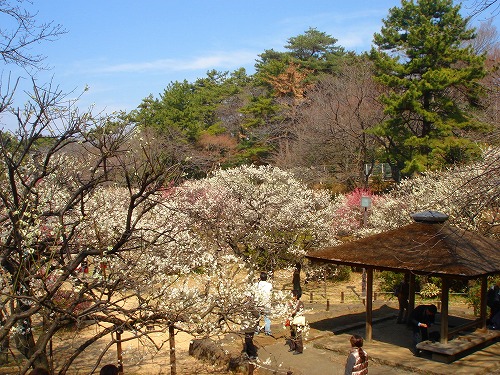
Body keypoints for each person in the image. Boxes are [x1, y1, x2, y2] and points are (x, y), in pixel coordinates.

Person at [287, 289, 305, 355]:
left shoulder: (299, 303)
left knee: (298, 335)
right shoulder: (292, 302)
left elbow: (294, 311)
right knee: (292, 333)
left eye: (293, 295)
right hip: (292, 320)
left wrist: (290, 312)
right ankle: (293, 346)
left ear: (296, 296)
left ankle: (299, 349)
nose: (291, 297)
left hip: (297, 320)